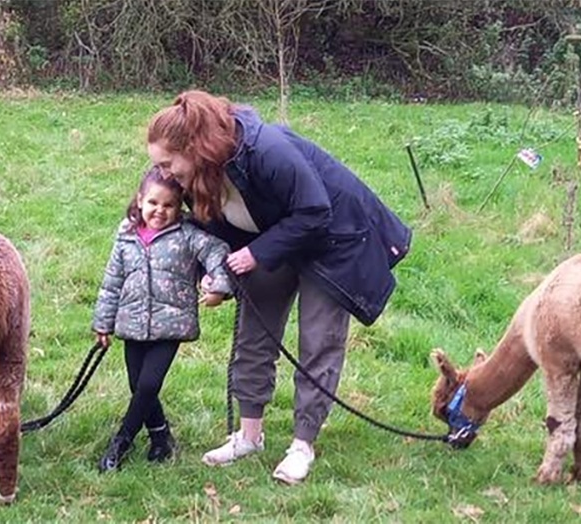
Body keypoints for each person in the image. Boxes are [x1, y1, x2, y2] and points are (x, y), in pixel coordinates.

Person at [146, 90, 412, 485]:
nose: (165, 174)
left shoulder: (266, 149)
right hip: (275, 240)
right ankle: (249, 436)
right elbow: (214, 231)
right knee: (253, 334)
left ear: (193, 147)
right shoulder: (199, 173)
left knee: (318, 342)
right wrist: (219, 277)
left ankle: (302, 445)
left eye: (168, 163)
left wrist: (255, 255)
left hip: (331, 242)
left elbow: (315, 210)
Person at [91, 166, 232, 472]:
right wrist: (103, 322)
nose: (160, 211)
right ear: (140, 200)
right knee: (137, 385)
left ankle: (121, 442)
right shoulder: (126, 235)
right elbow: (112, 280)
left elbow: (217, 252)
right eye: (153, 203)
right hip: (132, 323)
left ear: (179, 206)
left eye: (169, 205)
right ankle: (160, 438)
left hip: (171, 324)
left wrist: (218, 286)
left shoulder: (187, 235)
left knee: (149, 384)